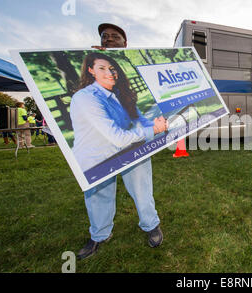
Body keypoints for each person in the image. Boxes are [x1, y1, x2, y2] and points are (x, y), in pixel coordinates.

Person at [74, 23, 168, 260]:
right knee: (98, 194)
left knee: (141, 187)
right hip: (99, 156)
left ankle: (151, 225)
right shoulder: (86, 97)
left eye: (115, 37)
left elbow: (137, 119)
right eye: (105, 37)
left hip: (132, 150)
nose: (109, 40)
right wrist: (151, 131)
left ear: (125, 44)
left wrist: (156, 125)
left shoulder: (120, 91)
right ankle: (99, 235)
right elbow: (116, 136)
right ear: (91, 70)